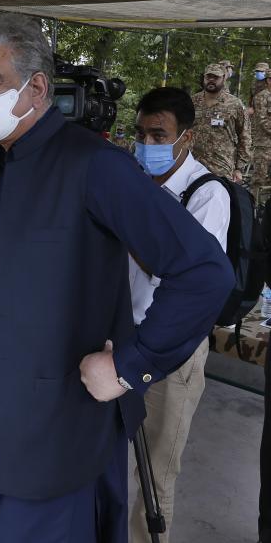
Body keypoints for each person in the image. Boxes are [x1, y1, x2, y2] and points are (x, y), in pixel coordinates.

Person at [0, 14, 233, 543]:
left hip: (52, 438)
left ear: (36, 87)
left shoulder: (95, 166)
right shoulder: (4, 163)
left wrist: (132, 366)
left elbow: (204, 272)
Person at [127, 87, 230, 543]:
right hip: (122, 341)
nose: (148, 144)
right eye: (141, 133)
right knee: (108, 463)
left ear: (185, 138)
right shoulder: (134, 182)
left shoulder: (207, 195)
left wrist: (125, 225)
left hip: (172, 354)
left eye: (159, 134)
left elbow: (188, 276)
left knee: (155, 479)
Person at [191, 62, 251, 183]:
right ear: (204, 78)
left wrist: (239, 168)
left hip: (221, 167)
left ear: (224, 78)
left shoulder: (234, 104)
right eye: (208, 77)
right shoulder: (192, 101)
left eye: (216, 77)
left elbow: (245, 136)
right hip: (193, 164)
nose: (211, 80)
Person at [251, 63, 271, 198]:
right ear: (269, 80)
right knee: (260, 178)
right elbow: (263, 120)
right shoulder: (261, 97)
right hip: (263, 145)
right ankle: (254, 207)